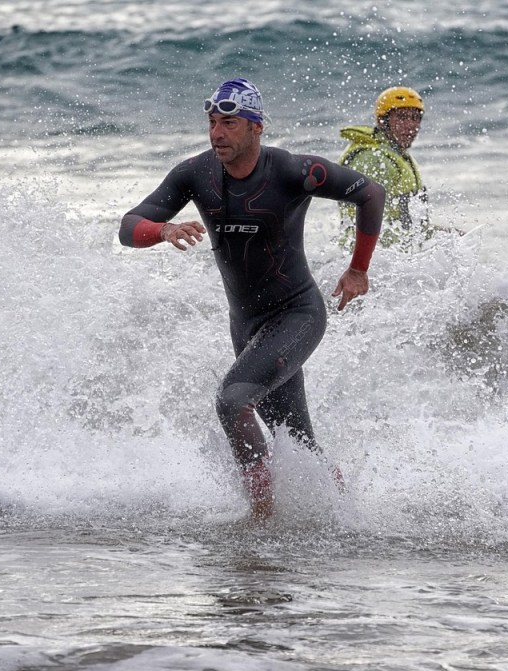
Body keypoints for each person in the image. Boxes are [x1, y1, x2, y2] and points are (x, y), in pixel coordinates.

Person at [118, 78, 385, 520]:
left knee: (233, 400)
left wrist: (359, 268)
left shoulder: (292, 171)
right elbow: (128, 227)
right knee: (294, 439)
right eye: (211, 122)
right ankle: (347, 515)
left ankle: (263, 515)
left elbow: (369, 193)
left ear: (256, 128)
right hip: (247, 326)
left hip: (298, 314)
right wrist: (163, 230)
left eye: (229, 123)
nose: (216, 133)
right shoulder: (195, 174)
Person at [338, 86, 431, 250]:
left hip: (398, 252)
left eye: (416, 118)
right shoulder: (374, 159)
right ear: (382, 121)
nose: (411, 125)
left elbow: (407, 225)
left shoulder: (396, 155)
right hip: (374, 257)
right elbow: (361, 220)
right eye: (401, 117)